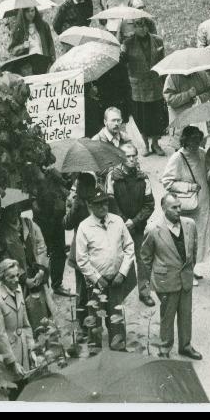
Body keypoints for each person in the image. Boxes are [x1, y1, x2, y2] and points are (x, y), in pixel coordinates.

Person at [140, 193, 202, 360]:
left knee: (186, 314)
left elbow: (193, 250)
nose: (179, 210)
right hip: (165, 280)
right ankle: (165, 348)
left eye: (179, 206)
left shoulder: (190, 224)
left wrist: (189, 269)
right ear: (164, 209)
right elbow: (145, 257)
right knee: (167, 316)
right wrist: (154, 277)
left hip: (185, 278)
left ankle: (185, 346)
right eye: (174, 207)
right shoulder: (153, 230)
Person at [75, 187, 135, 350]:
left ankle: (118, 352)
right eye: (98, 204)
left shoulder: (117, 221)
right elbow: (81, 259)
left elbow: (129, 247)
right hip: (96, 284)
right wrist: (96, 278)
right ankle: (96, 354)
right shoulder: (84, 227)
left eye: (105, 203)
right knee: (94, 320)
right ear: (90, 206)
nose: (103, 207)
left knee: (116, 318)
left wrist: (122, 273)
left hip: (116, 280)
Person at [162, 126, 210, 283]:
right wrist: (189, 187)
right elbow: (167, 181)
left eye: (198, 139)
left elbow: (207, 175)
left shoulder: (202, 153)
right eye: (192, 140)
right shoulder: (177, 157)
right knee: (187, 238)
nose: (195, 143)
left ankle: (193, 268)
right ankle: (186, 271)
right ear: (185, 140)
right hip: (188, 205)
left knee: (201, 236)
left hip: (203, 203)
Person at [107, 143, 156, 306]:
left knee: (142, 259)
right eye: (128, 156)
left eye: (134, 155)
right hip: (117, 228)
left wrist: (134, 222)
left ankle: (144, 291)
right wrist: (123, 222)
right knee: (118, 259)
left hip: (138, 226)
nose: (132, 159)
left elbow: (150, 204)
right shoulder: (113, 177)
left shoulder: (143, 177)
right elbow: (110, 203)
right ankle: (120, 292)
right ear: (121, 157)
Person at [0, 201, 54, 329]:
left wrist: (41, 270)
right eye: (9, 210)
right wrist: (23, 278)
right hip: (18, 278)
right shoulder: (1, 233)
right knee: (23, 314)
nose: (13, 213)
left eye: (15, 208)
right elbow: (4, 258)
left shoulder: (28, 224)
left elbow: (41, 246)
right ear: (4, 213)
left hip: (36, 272)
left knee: (42, 308)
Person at [0, 260, 34, 388]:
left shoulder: (17, 289)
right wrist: (12, 362)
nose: (17, 279)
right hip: (7, 357)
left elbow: (25, 323)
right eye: (11, 277)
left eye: (17, 275)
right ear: (2, 278)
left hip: (23, 352)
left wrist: (31, 348)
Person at [123, 18, 167, 156]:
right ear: (133, 28)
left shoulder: (157, 40)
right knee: (141, 116)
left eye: (144, 26)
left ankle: (155, 144)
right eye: (138, 26)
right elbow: (124, 64)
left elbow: (163, 62)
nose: (141, 29)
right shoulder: (128, 43)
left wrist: (163, 81)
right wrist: (123, 54)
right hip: (138, 87)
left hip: (154, 84)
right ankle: (145, 145)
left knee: (156, 115)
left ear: (148, 27)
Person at [32, 167, 72, 297]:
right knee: (42, 253)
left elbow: (65, 190)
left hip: (56, 222)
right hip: (44, 222)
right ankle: (42, 286)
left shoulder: (59, 179)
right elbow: (35, 202)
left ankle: (56, 285)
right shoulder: (40, 179)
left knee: (58, 253)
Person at [163, 70, 210, 135]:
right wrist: (188, 94)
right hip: (180, 122)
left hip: (199, 120)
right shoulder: (172, 78)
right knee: (181, 142)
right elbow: (170, 99)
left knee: (200, 141)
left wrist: (200, 98)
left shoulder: (201, 74)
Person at [7, 7, 56, 73]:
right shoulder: (18, 30)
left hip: (44, 63)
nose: (31, 14)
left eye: (32, 11)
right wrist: (22, 46)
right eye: (27, 11)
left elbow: (50, 45)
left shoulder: (44, 26)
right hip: (28, 67)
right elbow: (12, 50)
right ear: (23, 13)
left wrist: (52, 61)